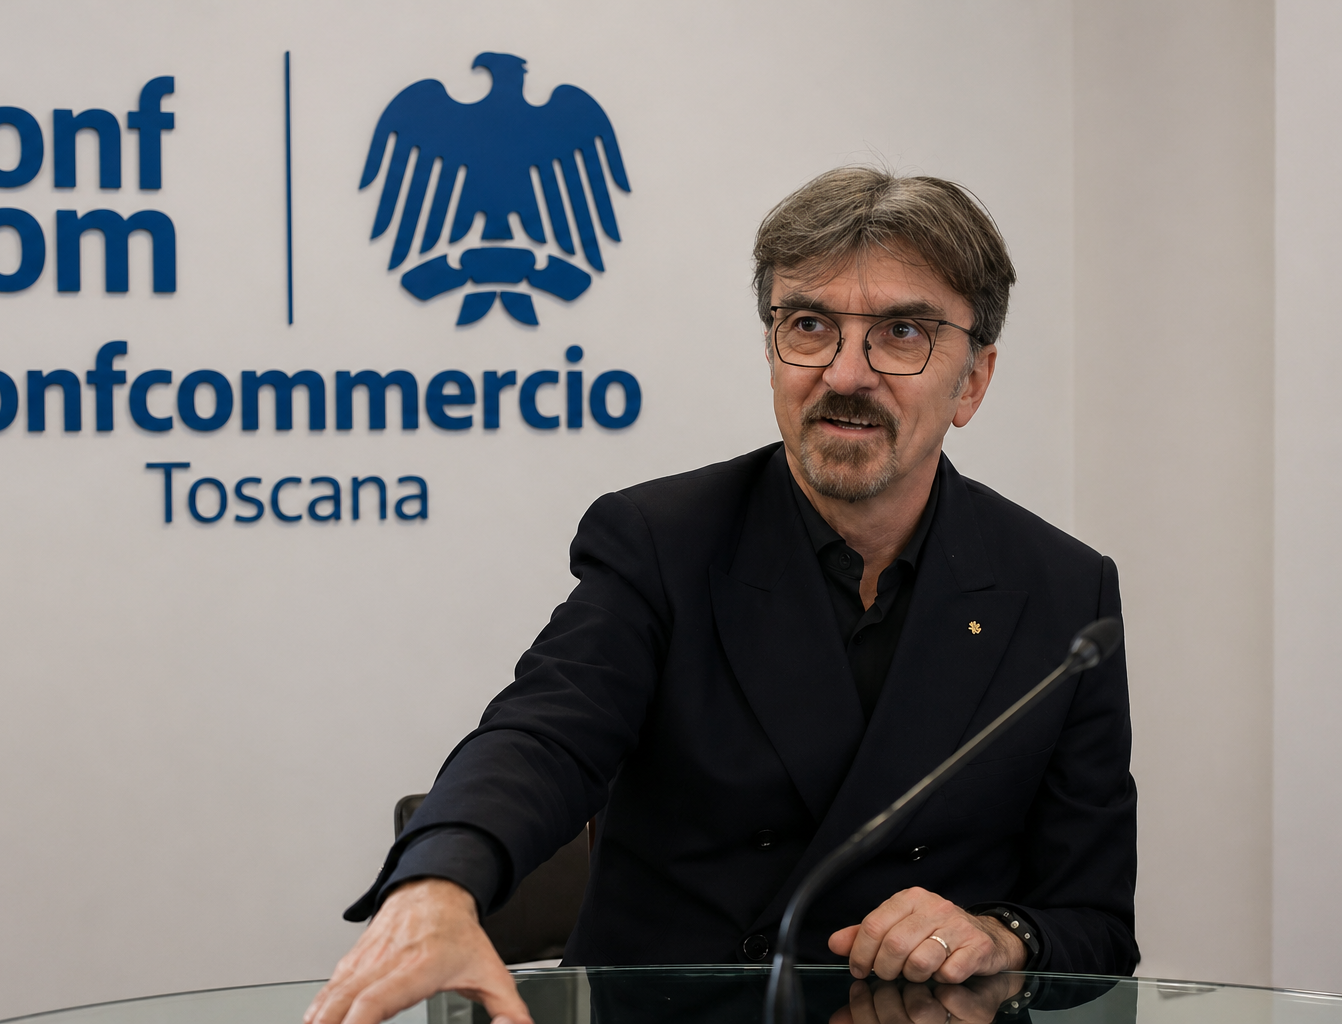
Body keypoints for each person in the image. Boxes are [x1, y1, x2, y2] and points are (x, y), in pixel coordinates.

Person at [305, 167, 1137, 1024]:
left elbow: (1097, 926)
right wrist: (438, 885)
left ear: (973, 380)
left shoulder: (1065, 594)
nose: (845, 374)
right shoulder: (662, 541)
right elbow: (543, 735)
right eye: (809, 325)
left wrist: (1001, 934)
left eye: (901, 333)